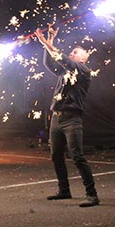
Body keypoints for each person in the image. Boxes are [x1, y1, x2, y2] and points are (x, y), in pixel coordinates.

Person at [34, 25, 99, 207]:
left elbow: (62, 58)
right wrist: (49, 42)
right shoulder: (64, 73)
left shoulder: (84, 71)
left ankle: (92, 194)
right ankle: (64, 190)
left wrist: (46, 43)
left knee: (77, 156)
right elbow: (49, 63)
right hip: (57, 118)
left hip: (72, 119)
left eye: (75, 52)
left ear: (83, 59)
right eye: (72, 52)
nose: (71, 54)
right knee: (56, 155)